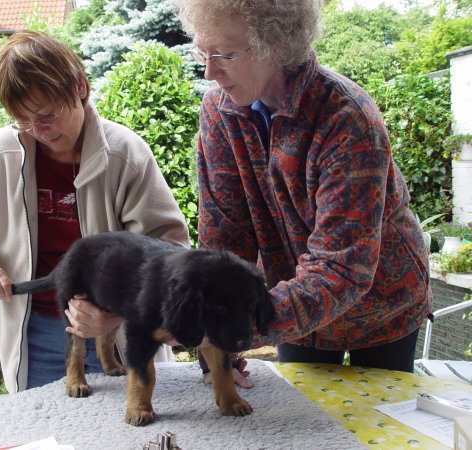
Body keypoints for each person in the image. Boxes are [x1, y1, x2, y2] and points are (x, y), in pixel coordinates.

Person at [174, 0, 432, 383]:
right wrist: (218, 322)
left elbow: (341, 267)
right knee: (301, 424)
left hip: (384, 305)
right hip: (297, 299)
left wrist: (239, 325)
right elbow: (226, 235)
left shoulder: (346, 116)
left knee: (377, 429)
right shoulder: (220, 111)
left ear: (273, 44)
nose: (210, 72)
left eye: (223, 54)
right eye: (202, 52)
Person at [0, 30, 190, 393]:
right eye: (24, 120)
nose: (38, 131)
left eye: (47, 115)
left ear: (80, 88)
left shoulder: (125, 154)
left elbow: (168, 250)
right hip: (34, 329)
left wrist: (114, 312)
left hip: (121, 332)